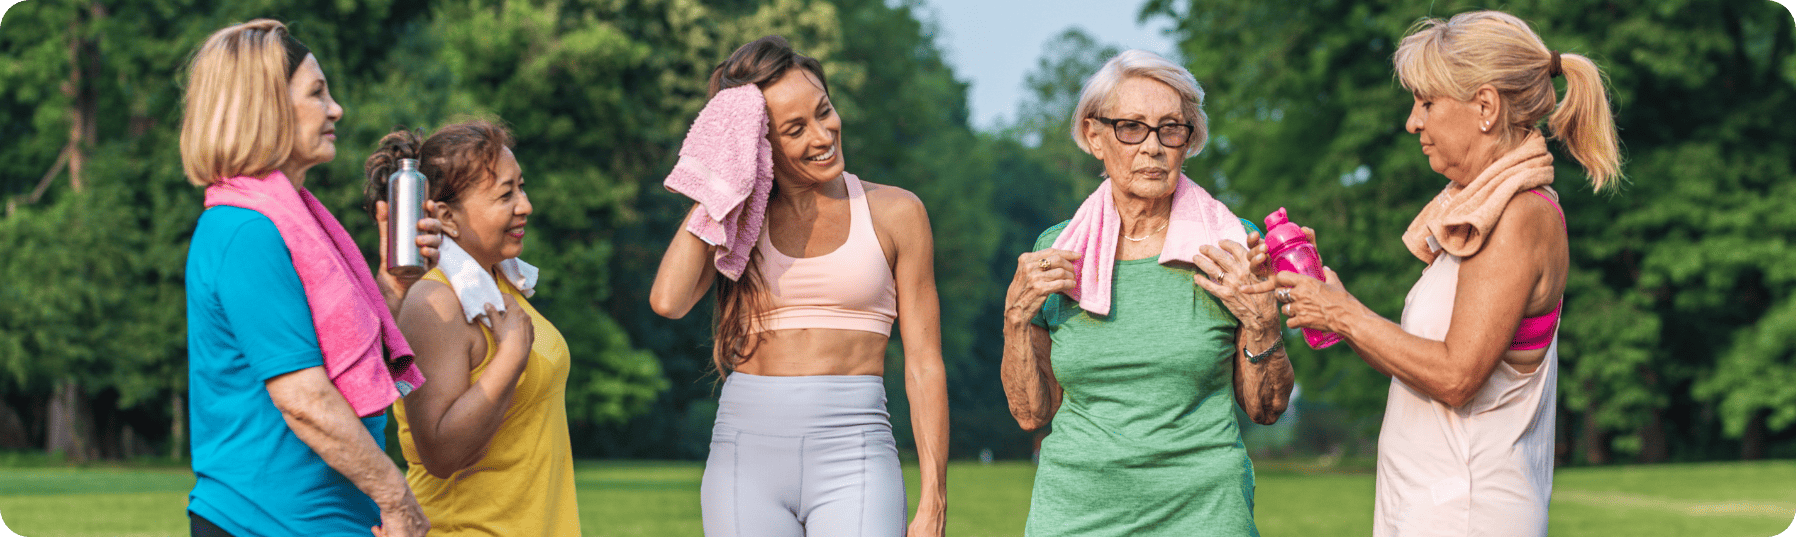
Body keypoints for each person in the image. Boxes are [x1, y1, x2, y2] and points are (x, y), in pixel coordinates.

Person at [1248, 10, 1621, 536]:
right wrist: (1335, 305)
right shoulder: (1483, 216)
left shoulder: (1517, 217)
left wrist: (1346, 315)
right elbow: (1427, 362)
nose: (1412, 122)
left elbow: (1455, 376)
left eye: (1426, 102)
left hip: (1469, 514)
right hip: (1438, 510)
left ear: (1485, 106)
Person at [649, 36, 948, 537]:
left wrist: (934, 500)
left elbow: (923, 363)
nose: (823, 134)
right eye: (794, 129)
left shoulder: (897, 213)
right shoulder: (737, 221)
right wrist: (721, 180)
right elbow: (669, 300)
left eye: (824, 111)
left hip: (857, 454)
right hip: (745, 458)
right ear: (760, 145)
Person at [1001, 50, 1294, 537]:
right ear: (1095, 137)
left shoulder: (1229, 245)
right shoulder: (1057, 251)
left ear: (1189, 140)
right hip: (1074, 514)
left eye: (1170, 129)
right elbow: (1031, 413)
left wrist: (1264, 322)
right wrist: (1015, 320)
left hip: (1205, 514)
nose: (1152, 146)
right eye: (1131, 127)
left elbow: (1267, 409)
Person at [180, 19, 438, 537]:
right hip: (263, 521)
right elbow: (304, 399)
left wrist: (393, 284)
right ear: (265, 106)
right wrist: (397, 498)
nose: (336, 108)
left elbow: (325, 346)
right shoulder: (246, 231)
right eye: (318, 93)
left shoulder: (292, 219)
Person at [367, 121, 580, 536]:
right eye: (506, 194)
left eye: (521, 187)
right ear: (445, 216)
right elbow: (440, 452)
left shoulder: (499, 285)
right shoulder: (435, 304)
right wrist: (512, 358)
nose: (525, 205)